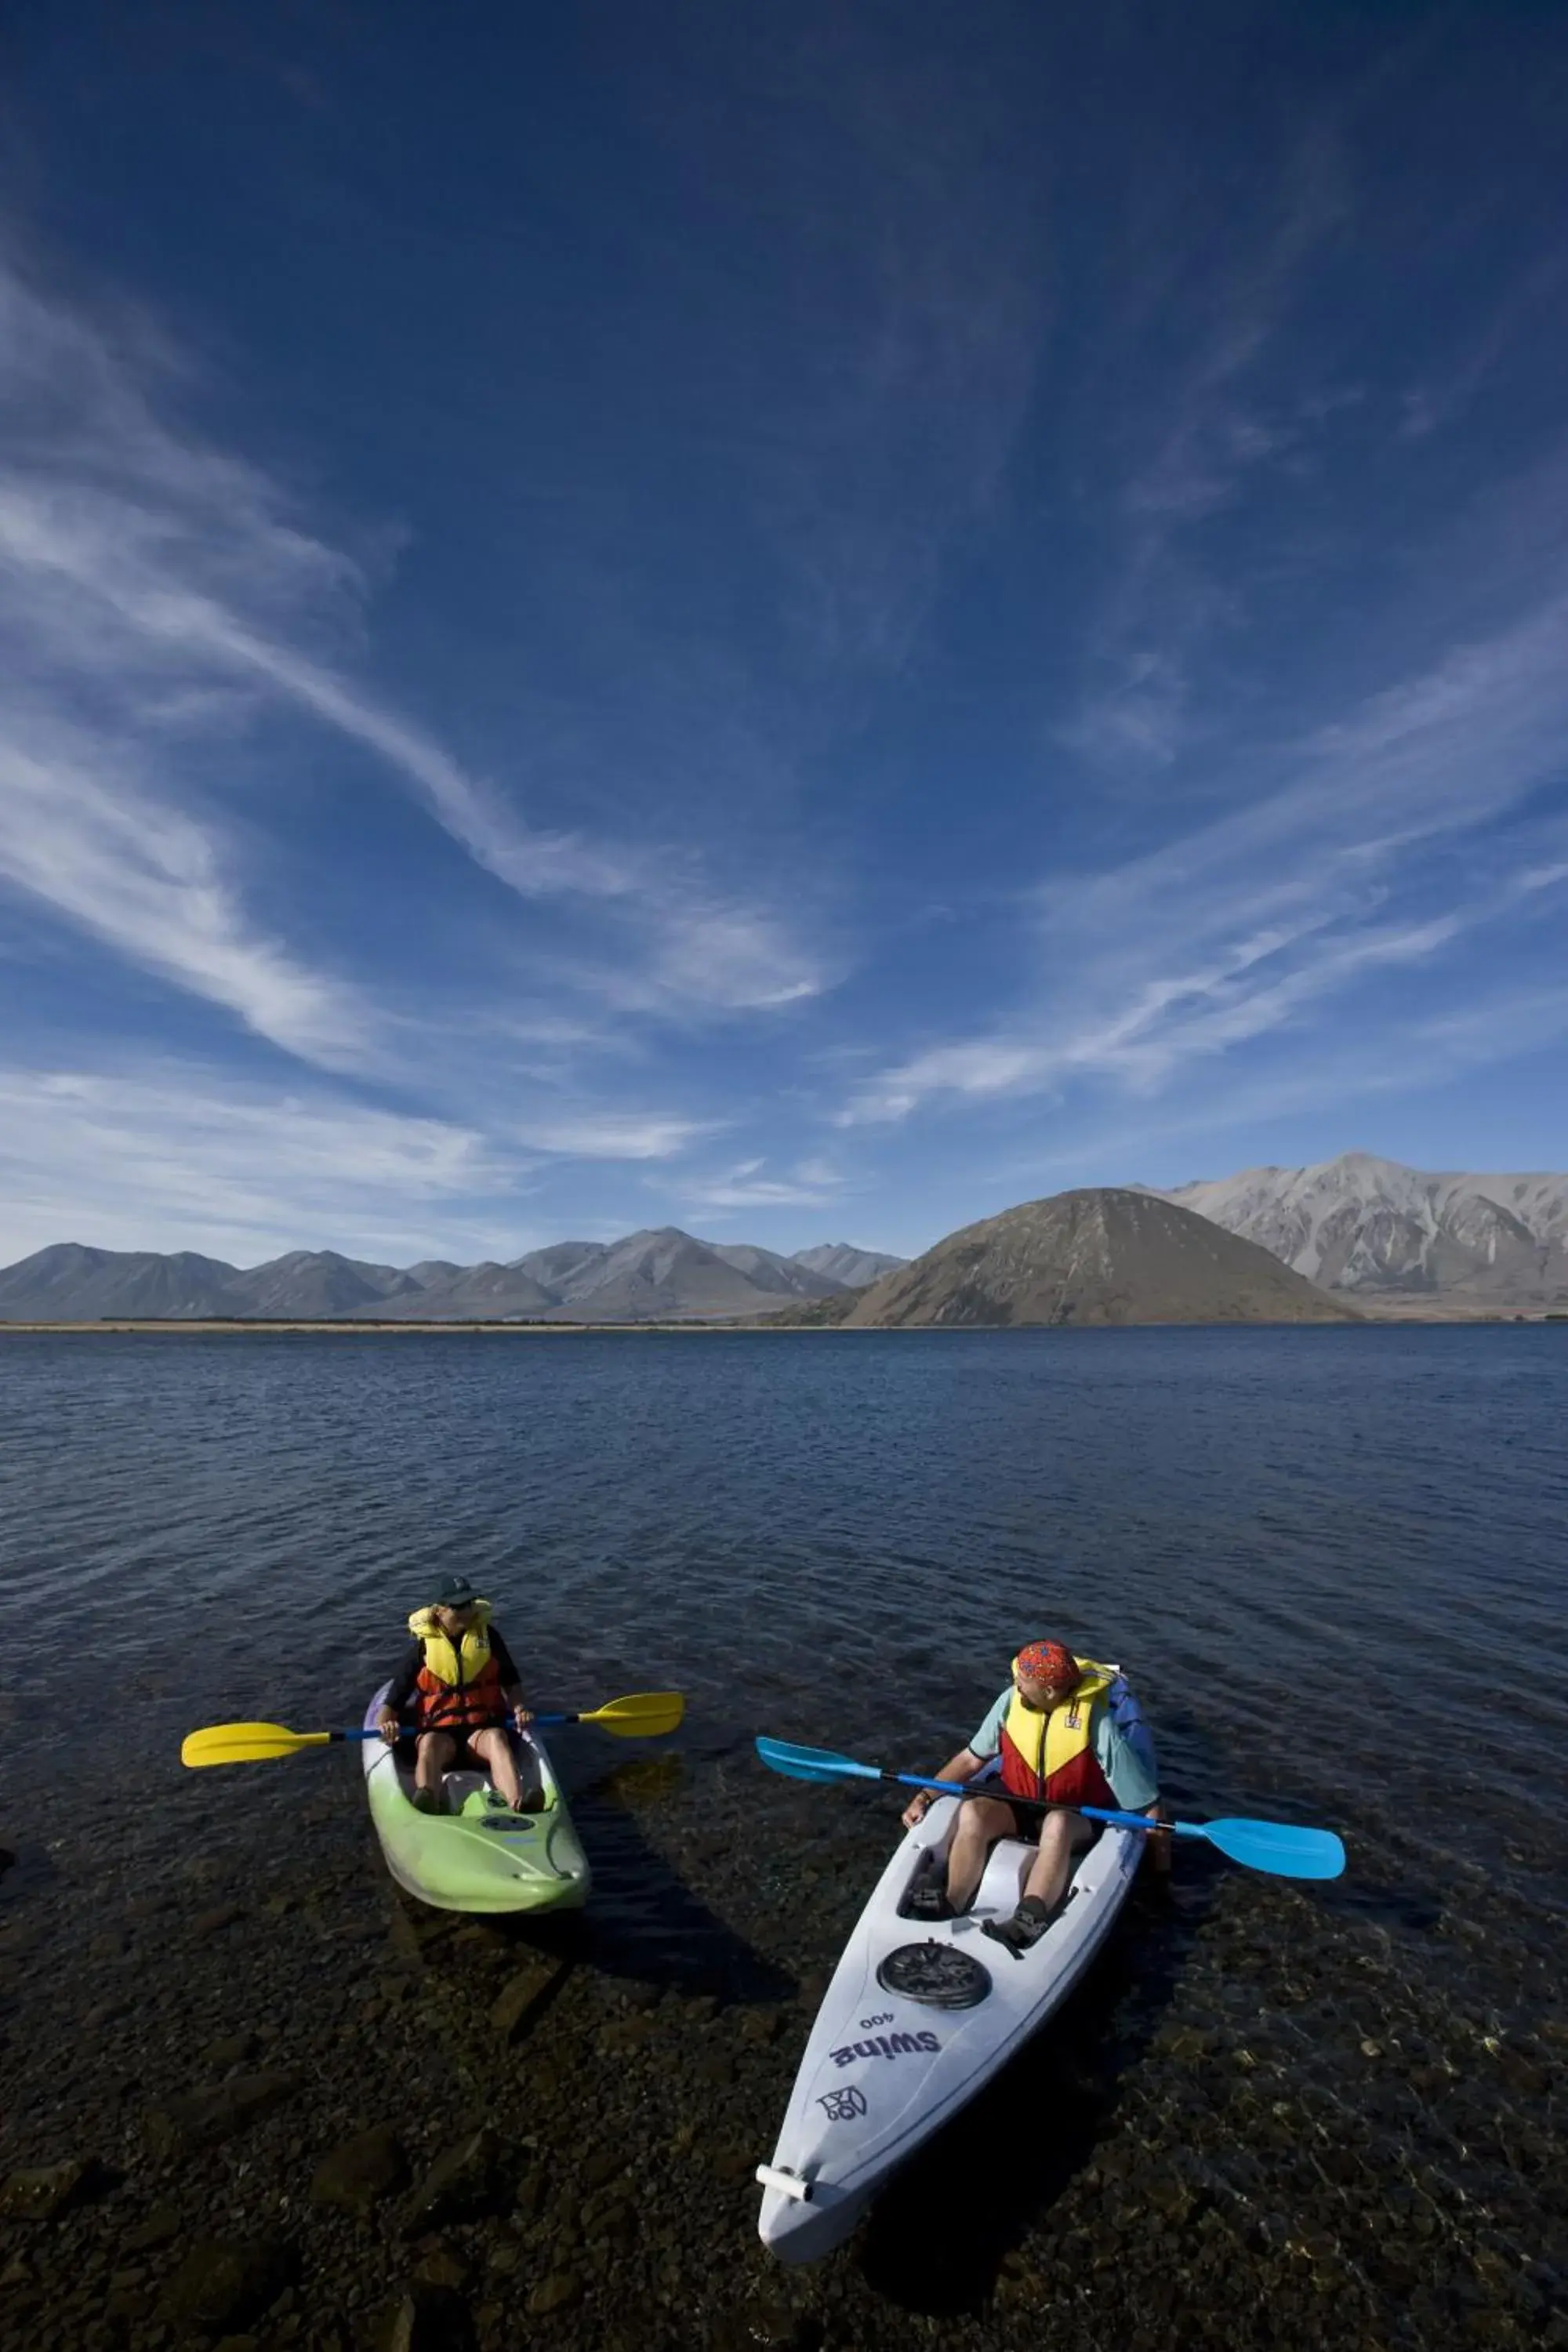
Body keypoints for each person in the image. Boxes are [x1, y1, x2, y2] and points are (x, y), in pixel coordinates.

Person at [900, 1639, 1167, 1953]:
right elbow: (971, 1759)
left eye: (1024, 1682)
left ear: (1050, 1692)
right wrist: (925, 1796)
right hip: (1019, 1799)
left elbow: (1148, 1806)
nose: (1017, 1686)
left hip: (1075, 1812)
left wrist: (1161, 1878)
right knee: (973, 1812)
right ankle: (952, 1900)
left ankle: (1029, 1917)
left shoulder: (1097, 1723)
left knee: (1057, 1824)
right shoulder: (1011, 1702)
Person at [376, 1574, 538, 1813]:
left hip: (479, 1736)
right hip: (442, 1740)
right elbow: (393, 1702)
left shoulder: (489, 1638)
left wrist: (519, 1708)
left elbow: (511, 1683)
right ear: (439, 1611)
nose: (466, 1611)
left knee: (497, 1738)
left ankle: (518, 1804)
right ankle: (428, 1802)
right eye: (458, 1606)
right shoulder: (423, 1649)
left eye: (469, 1604)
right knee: (429, 1743)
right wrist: (386, 1725)